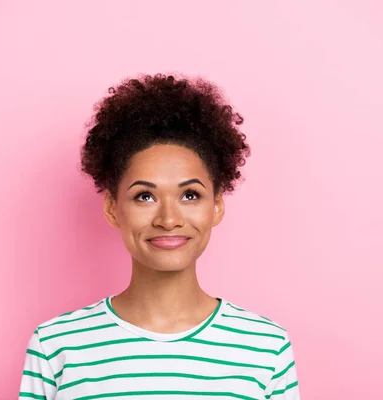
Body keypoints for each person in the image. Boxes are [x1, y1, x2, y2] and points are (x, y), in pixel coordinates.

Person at [18, 73, 300, 399]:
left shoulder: (267, 348)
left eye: (190, 195)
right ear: (112, 208)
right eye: (145, 196)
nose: (168, 219)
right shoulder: (55, 345)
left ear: (217, 206)